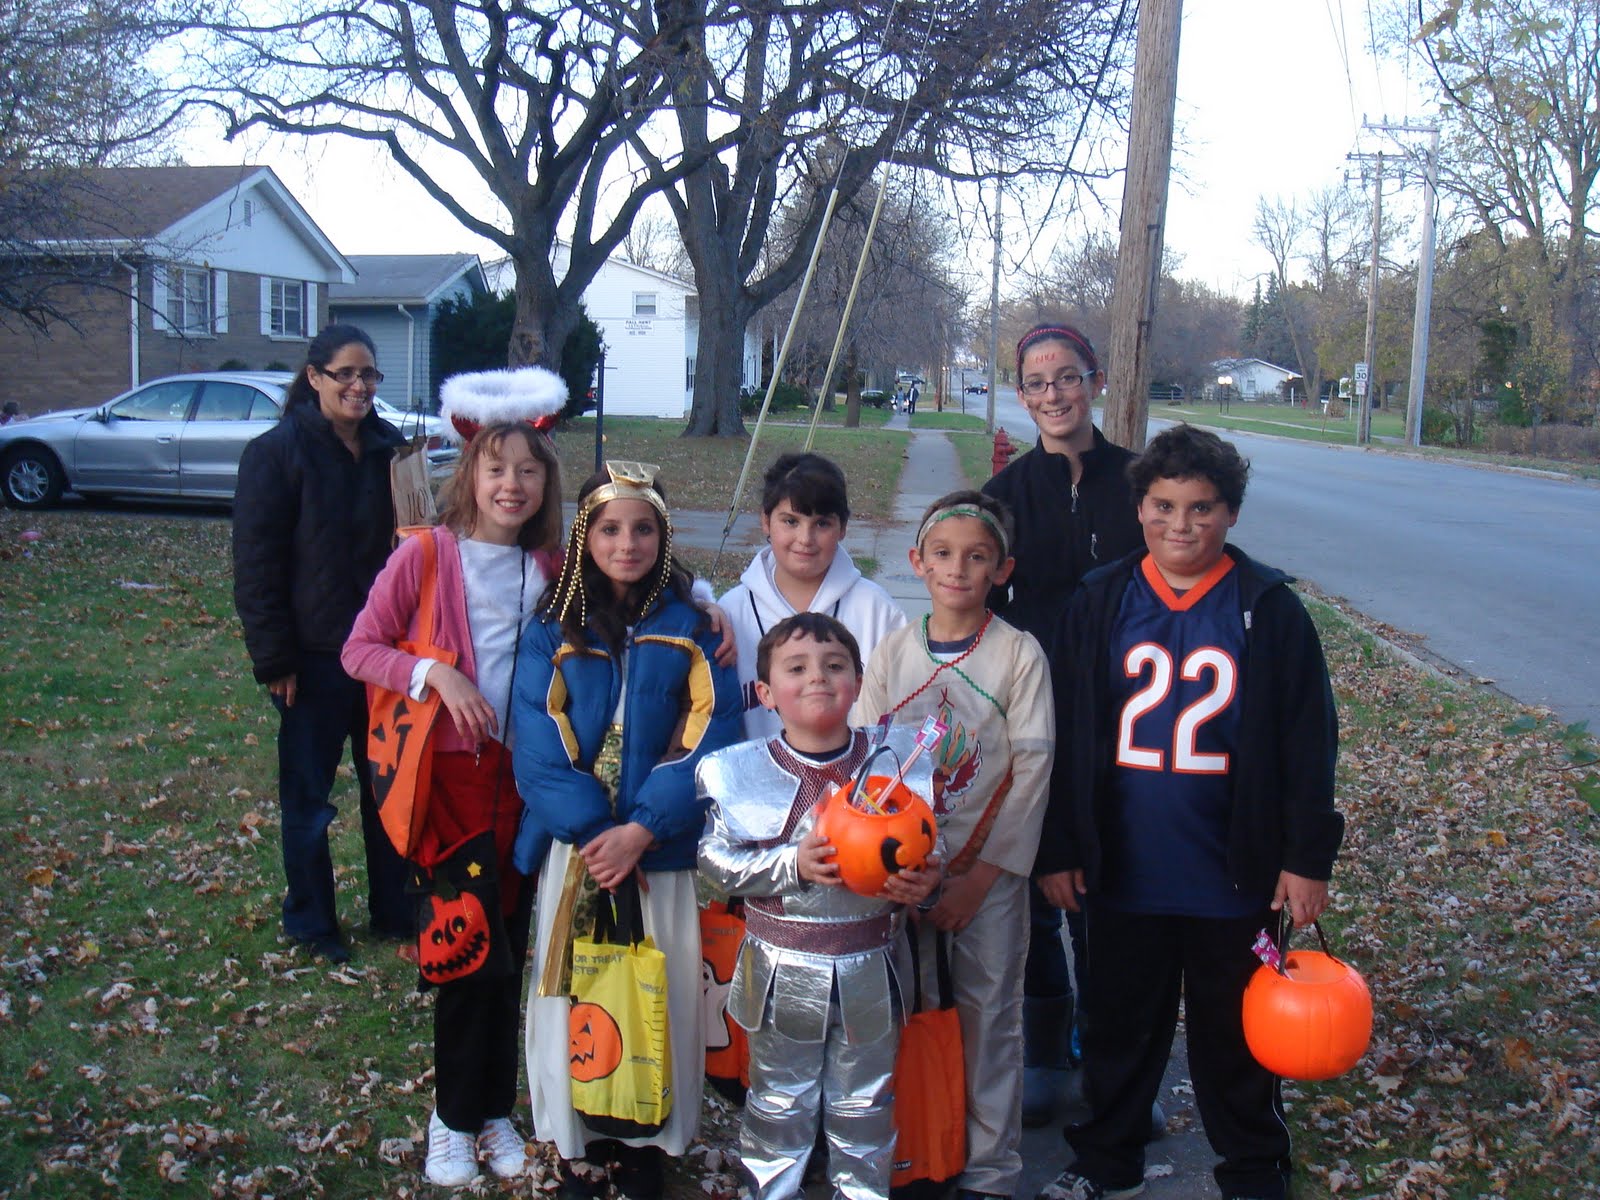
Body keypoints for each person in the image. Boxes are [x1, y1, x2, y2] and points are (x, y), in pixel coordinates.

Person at [1033, 425, 1344, 1200]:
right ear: (1139, 506)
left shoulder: (1266, 609)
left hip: (1230, 875)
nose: (1181, 525)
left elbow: (1310, 741)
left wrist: (1307, 858)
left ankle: (1252, 1167)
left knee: (1237, 1035)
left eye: (1201, 508)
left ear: (1231, 513)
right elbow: (1065, 732)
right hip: (1124, 867)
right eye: (1164, 505)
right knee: (1117, 1025)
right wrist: (1059, 845)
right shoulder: (1102, 598)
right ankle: (1108, 1159)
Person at [341, 367, 568, 1187]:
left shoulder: (550, 566)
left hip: (523, 788)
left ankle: (495, 1111)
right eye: (496, 467)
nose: (511, 484)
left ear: (546, 482)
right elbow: (360, 648)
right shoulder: (427, 556)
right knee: (466, 951)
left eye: (528, 470)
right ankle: (449, 1119)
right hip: (447, 785)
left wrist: (708, 604)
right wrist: (436, 677)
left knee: (509, 949)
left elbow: (628, 595)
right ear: (468, 472)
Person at [512, 462, 743, 1200]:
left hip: (657, 856)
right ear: (586, 536)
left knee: (660, 987)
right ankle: (579, 1137)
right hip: (580, 855)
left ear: (663, 537)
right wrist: (595, 835)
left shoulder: (693, 628)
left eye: (644, 528)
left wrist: (641, 831)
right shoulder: (551, 629)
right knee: (572, 994)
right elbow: (537, 743)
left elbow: (713, 737)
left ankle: (648, 1137)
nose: (628, 542)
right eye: (610, 528)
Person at [853, 489, 1055, 1200]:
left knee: (988, 1017)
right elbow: (868, 765)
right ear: (918, 562)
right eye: (942, 555)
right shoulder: (892, 655)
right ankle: (920, 1149)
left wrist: (982, 876)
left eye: (976, 558)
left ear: (1002, 569)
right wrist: (892, 873)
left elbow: (1032, 766)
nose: (958, 569)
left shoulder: (1017, 656)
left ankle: (992, 1170)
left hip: (986, 881)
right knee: (907, 1018)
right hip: (902, 876)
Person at [698, 612, 940, 1200]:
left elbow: (933, 846)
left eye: (835, 667)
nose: (818, 679)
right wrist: (791, 865)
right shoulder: (738, 771)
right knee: (779, 1104)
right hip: (783, 971)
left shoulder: (896, 762)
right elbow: (712, 864)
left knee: (866, 1108)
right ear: (765, 692)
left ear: (857, 682)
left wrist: (925, 884)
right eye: (797, 668)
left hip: (872, 967)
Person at [983, 322, 1144, 1127]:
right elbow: (974, 595)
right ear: (1022, 396)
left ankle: (1111, 1055)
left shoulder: (1137, 483)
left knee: (1110, 887)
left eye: (1068, 378)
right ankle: (1046, 1048)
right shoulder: (1007, 499)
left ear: (1096, 380)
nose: (1054, 394)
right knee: (1036, 879)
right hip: (1034, 714)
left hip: (1128, 717)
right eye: (1037, 383)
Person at [232, 323, 411, 962]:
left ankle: (396, 909)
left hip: (385, 656)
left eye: (369, 376)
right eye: (346, 375)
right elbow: (256, 563)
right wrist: (274, 657)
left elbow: (415, 549)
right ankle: (310, 920)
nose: (360, 387)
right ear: (315, 378)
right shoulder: (277, 453)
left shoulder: (392, 452)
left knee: (386, 790)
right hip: (310, 659)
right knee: (309, 800)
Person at [720, 452, 906, 740]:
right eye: (790, 521)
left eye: (822, 524)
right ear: (766, 522)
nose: (805, 539)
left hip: (858, 783)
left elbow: (899, 719)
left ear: (843, 528)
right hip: (758, 781)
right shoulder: (731, 612)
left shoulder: (877, 611)